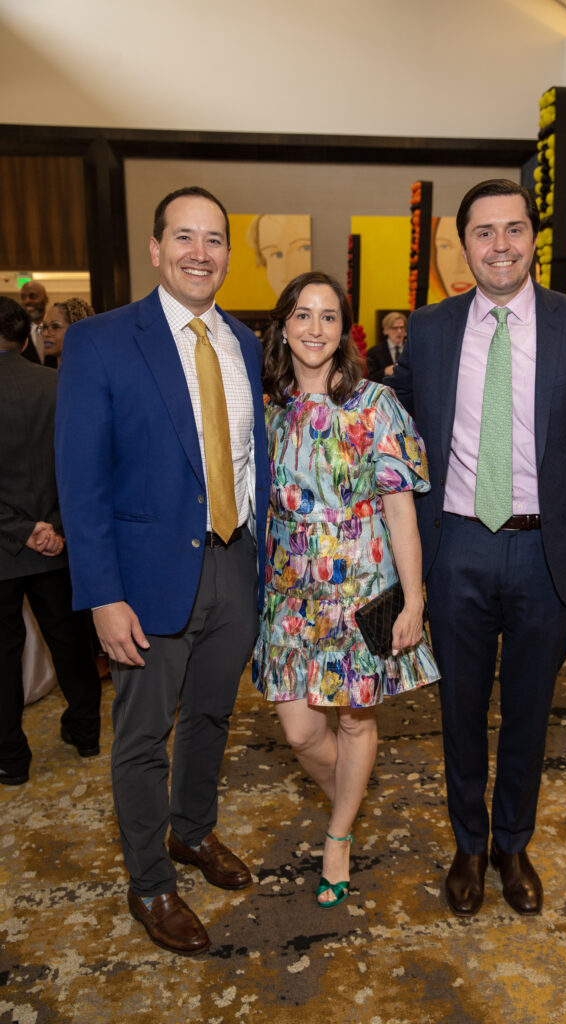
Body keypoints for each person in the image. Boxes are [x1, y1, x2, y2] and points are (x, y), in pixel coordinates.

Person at [390, 179, 566, 918]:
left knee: (529, 709)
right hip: (454, 547)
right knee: (459, 708)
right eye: (484, 232)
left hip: (545, 555)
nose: (500, 245)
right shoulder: (426, 331)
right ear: (464, 246)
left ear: (533, 238)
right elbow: (396, 436)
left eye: (513, 230)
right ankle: (467, 843)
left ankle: (510, 844)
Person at [55, 186, 269, 955]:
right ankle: (149, 881)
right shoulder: (104, 341)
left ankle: (192, 833)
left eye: (214, 239)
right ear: (155, 248)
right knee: (144, 737)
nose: (200, 252)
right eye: (184, 236)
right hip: (143, 581)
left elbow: (249, 464)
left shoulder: (244, 342)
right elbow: (81, 484)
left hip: (233, 564)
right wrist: (102, 597)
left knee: (213, 718)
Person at [252, 271, 439, 908]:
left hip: (361, 590)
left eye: (328, 316)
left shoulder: (374, 404)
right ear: (283, 325)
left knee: (357, 720)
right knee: (301, 732)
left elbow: (401, 511)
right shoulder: (268, 406)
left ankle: (338, 833)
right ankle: (351, 801)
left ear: (344, 330)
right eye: (302, 315)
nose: (314, 328)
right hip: (289, 595)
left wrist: (413, 600)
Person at [0, 298, 101, 786]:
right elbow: (84, 467)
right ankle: (86, 733)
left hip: (4, 549)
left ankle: (11, 758)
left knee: (2, 655)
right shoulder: (58, 386)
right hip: (57, 544)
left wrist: (21, 530)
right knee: (72, 644)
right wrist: (51, 525)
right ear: (23, 339)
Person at [39, 297, 95, 366]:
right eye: (44, 327)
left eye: (55, 327)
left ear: (76, 329)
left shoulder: (92, 371)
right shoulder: (44, 371)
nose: (45, 334)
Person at [365, 311, 408, 383]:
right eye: (395, 328)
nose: (399, 331)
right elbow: (370, 378)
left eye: (402, 327)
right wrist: (385, 371)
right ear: (386, 330)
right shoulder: (374, 352)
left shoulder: (411, 349)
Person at [19, 280, 48, 362]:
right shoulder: (15, 333)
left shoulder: (58, 330)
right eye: (23, 297)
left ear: (46, 299)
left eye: (33, 296)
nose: (27, 301)